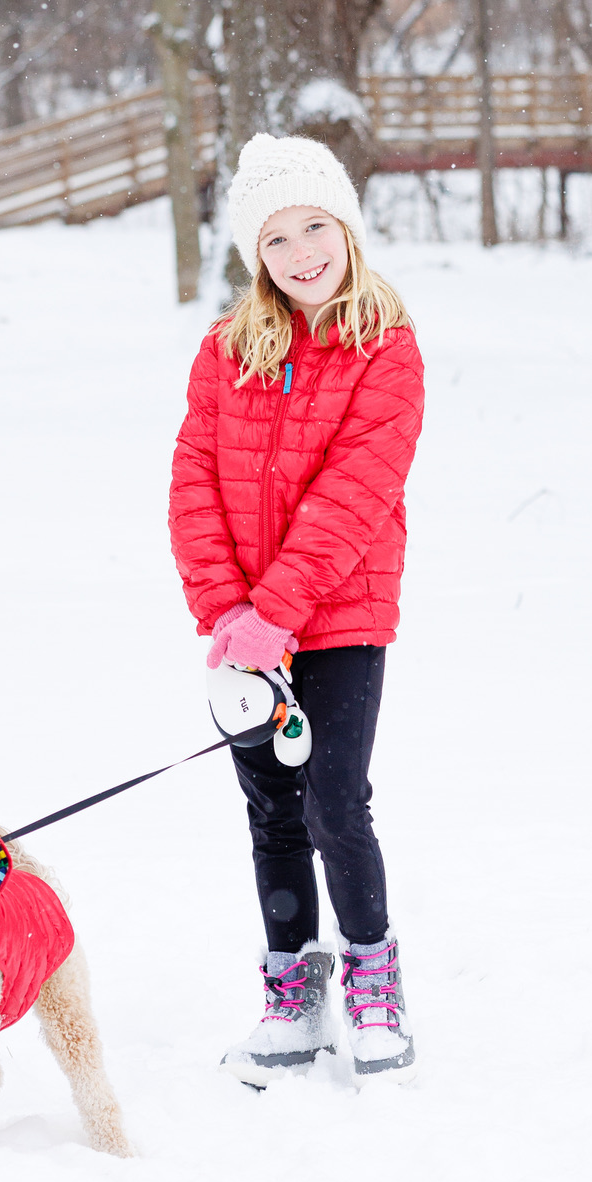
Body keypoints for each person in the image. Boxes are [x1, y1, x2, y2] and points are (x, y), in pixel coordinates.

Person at [169, 132, 426, 1086]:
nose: (301, 253)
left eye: (316, 226)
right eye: (276, 239)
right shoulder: (227, 349)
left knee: (333, 803)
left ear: (348, 228)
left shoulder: (386, 349)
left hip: (343, 615)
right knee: (269, 810)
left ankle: (373, 978)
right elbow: (193, 477)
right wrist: (228, 611)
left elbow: (356, 492)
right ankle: (293, 993)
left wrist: (277, 610)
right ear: (255, 256)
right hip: (245, 628)